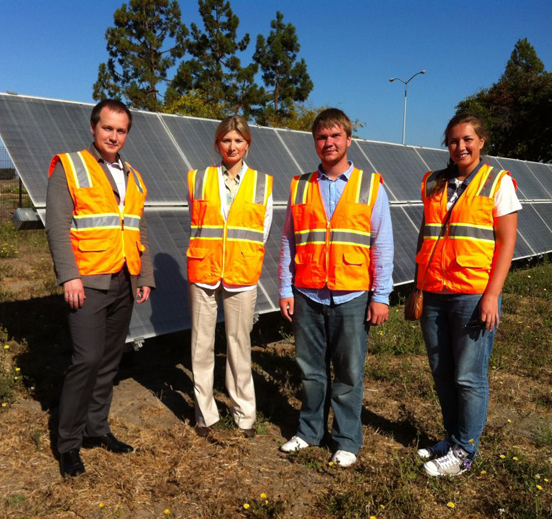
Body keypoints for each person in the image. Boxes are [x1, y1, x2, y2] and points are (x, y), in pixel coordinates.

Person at [278, 108, 394, 467]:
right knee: (311, 371)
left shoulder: (369, 185)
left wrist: (380, 296)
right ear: (315, 142)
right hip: (308, 292)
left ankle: (346, 439)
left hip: (351, 295)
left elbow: (382, 244)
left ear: (348, 139)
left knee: (348, 373)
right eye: (321, 137)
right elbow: (288, 242)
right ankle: (310, 431)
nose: (328, 143)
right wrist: (285, 289)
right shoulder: (300, 186)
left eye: (335, 136)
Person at [46, 99, 155, 477]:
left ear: (127, 134)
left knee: (109, 360)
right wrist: (69, 276)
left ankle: (97, 428)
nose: (113, 136)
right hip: (88, 280)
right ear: (94, 127)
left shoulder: (134, 176)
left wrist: (145, 276)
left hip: (124, 278)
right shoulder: (70, 166)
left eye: (121, 130)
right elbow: (57, 227)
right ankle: (68, 444)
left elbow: (138, 227)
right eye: (107, 128)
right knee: (87, 360)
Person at [415, 113, 521, 476]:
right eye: (454, 140)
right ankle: (452, 437)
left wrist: (492, 295)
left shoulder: (498, 182)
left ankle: (464, 452)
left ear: (481, 141)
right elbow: (426, 234)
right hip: (434, 291)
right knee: (442, 372)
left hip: (473, 293)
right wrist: (418, 283)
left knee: (469, 376)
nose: (460, 146)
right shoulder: (433, 182)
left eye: (467, 139)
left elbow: (507, 244)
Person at [186, 115, 273, 439]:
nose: (232, 146)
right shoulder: (198, 178)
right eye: (226, 140)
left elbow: (261, 231)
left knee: (239, 345)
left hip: (241, 272)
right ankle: (204, 414)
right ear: (217, 144)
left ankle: (244, 415)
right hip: (203, 270)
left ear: (247, 144)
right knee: (201, 345)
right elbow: (196, 223)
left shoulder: (262, 183)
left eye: (238, 140)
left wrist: (240, 256)